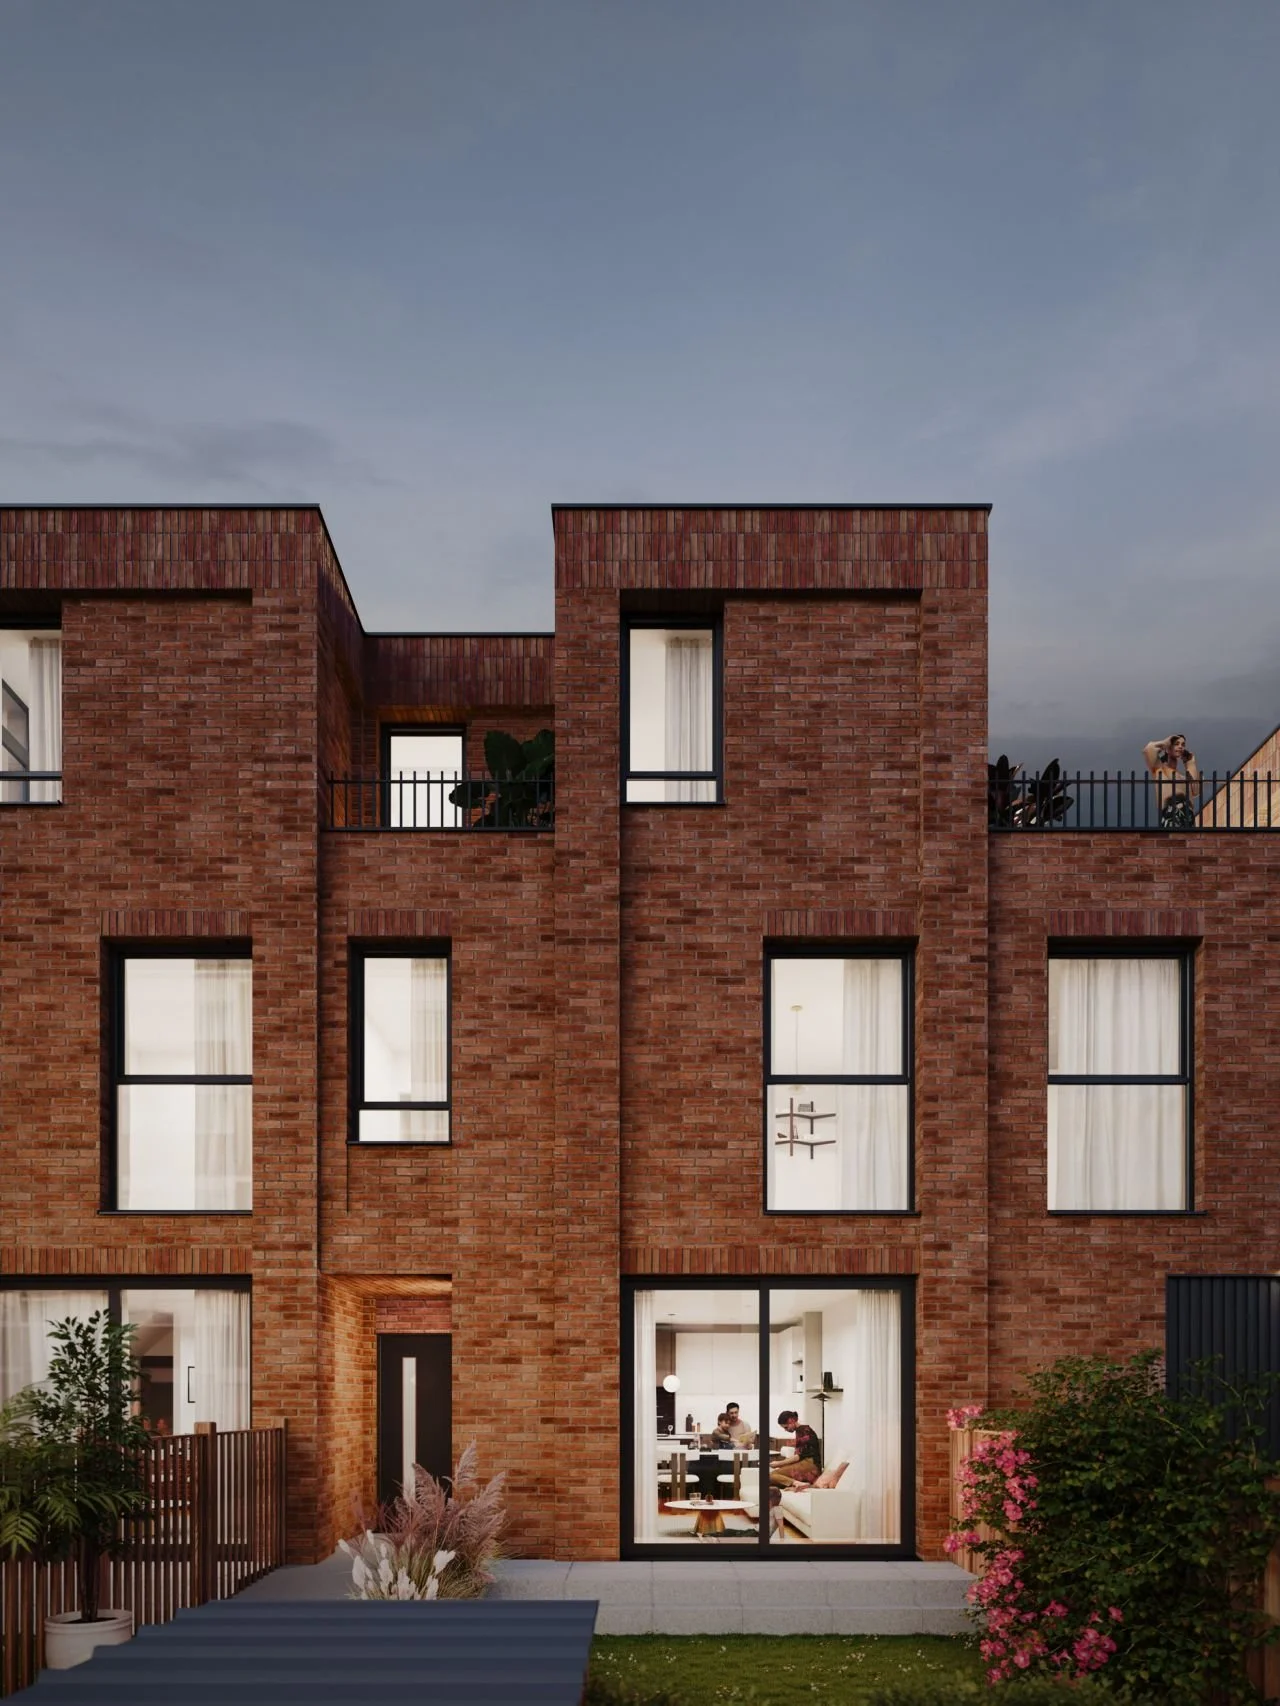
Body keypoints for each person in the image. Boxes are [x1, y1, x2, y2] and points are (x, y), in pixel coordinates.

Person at [1143, 734, 1200, 829]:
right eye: (1176, 744)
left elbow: (1196, 790)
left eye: (1183, 744)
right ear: (1168, 748)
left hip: (1188, 814)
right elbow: (1148, 750)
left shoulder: (1183, 777)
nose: (1180, 746)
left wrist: (1190, 763)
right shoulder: (1160, 769)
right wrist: (1165, 742)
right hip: (1171, 811)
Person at [770, 1408, 822, 1487]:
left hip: (811, 1466)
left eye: (786, 1427)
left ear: (791, 1421)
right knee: (774, 1479)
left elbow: (799, 1456)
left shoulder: (804, 1431)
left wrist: (779, 1463)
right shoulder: (802, 1430)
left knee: (771, 1476)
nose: (785, 1430)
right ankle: (795, 1483)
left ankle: (796, 1483)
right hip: (808, 1464)